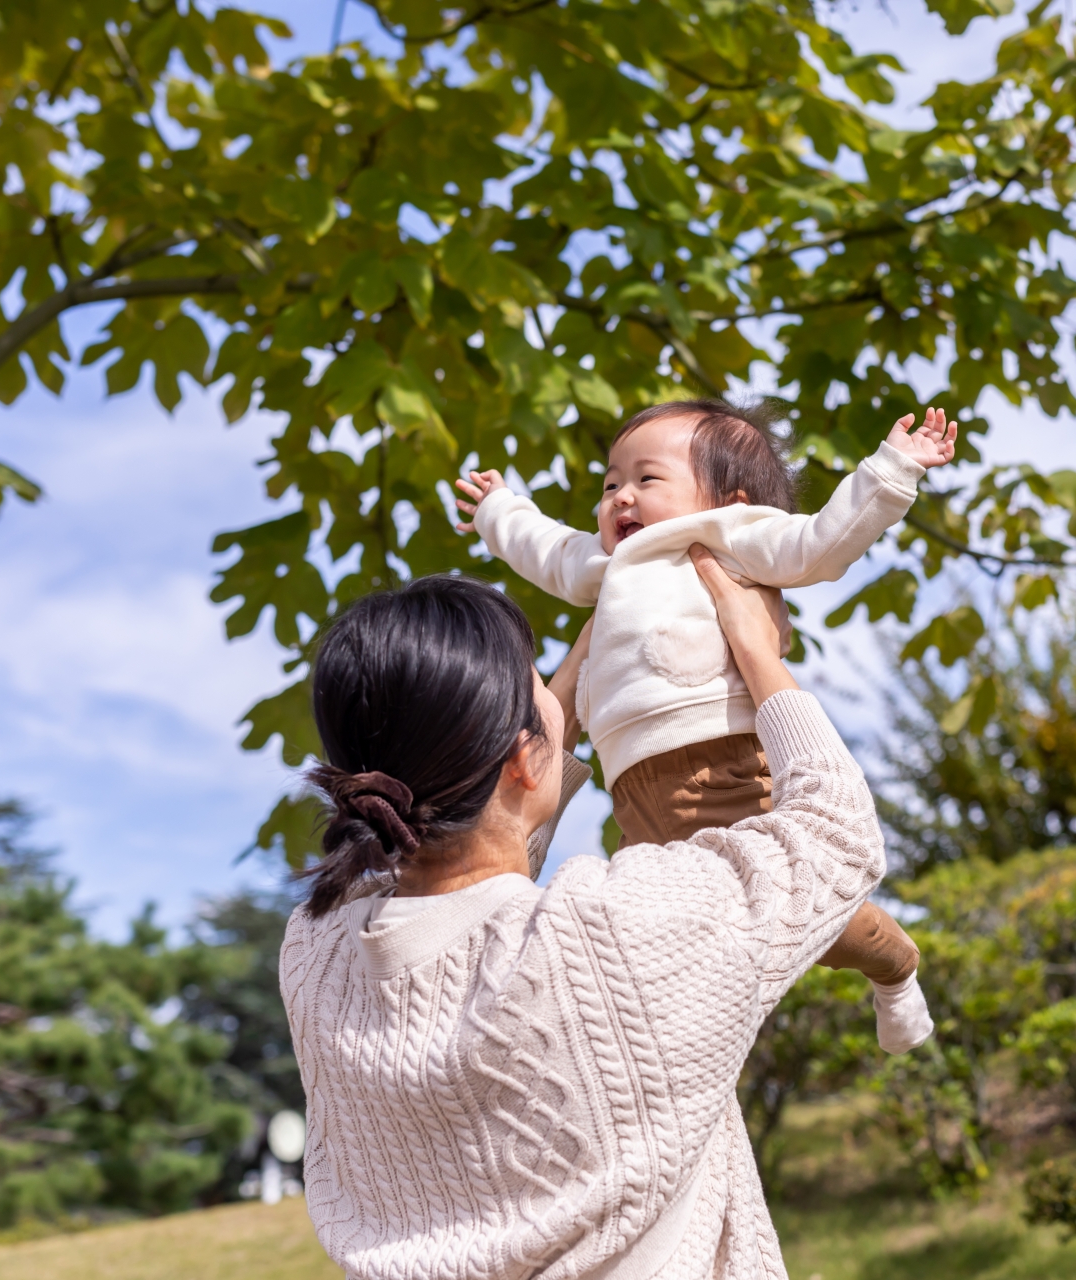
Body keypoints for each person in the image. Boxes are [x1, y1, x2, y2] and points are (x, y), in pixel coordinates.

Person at [281, 557, 891, 1280]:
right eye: (539, 682)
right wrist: (755, 646)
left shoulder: (316, 954)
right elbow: (836, 836)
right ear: (517, 758)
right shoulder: (613, 934)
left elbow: (466, 879)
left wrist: (567, 676)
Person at [453, 399, 955, 1053]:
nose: (620, 498)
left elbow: (821, 544)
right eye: (610, 485)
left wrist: (891, 470)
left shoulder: (728, 538)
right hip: (633, 795)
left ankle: (895, 965)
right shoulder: (606, 570)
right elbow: (544, 549)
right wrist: (498, 510)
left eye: (647, 480)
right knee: (647, 935)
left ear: (731, 500)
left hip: (726, 772)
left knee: (811, 920)